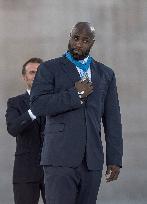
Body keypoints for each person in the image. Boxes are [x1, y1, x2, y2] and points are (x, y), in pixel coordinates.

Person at [30, 22, 123, 204]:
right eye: (75, 38)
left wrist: (115, 158)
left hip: (92, 161)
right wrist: (76, 94)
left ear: (92, 43)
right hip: (59, 159)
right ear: (70, 37)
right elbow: (38, 106)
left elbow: (113, 120)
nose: (78, 44)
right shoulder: (49, 69)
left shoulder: (106, 74)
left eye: (85, 40)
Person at [5, 58, 46, 204]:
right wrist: (32, 112)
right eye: (32, 72)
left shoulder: (56, 101)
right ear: (24, 76)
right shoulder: (15, 102)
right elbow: (13, 128)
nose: (36, 75)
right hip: (26, 171)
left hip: (54, 170)